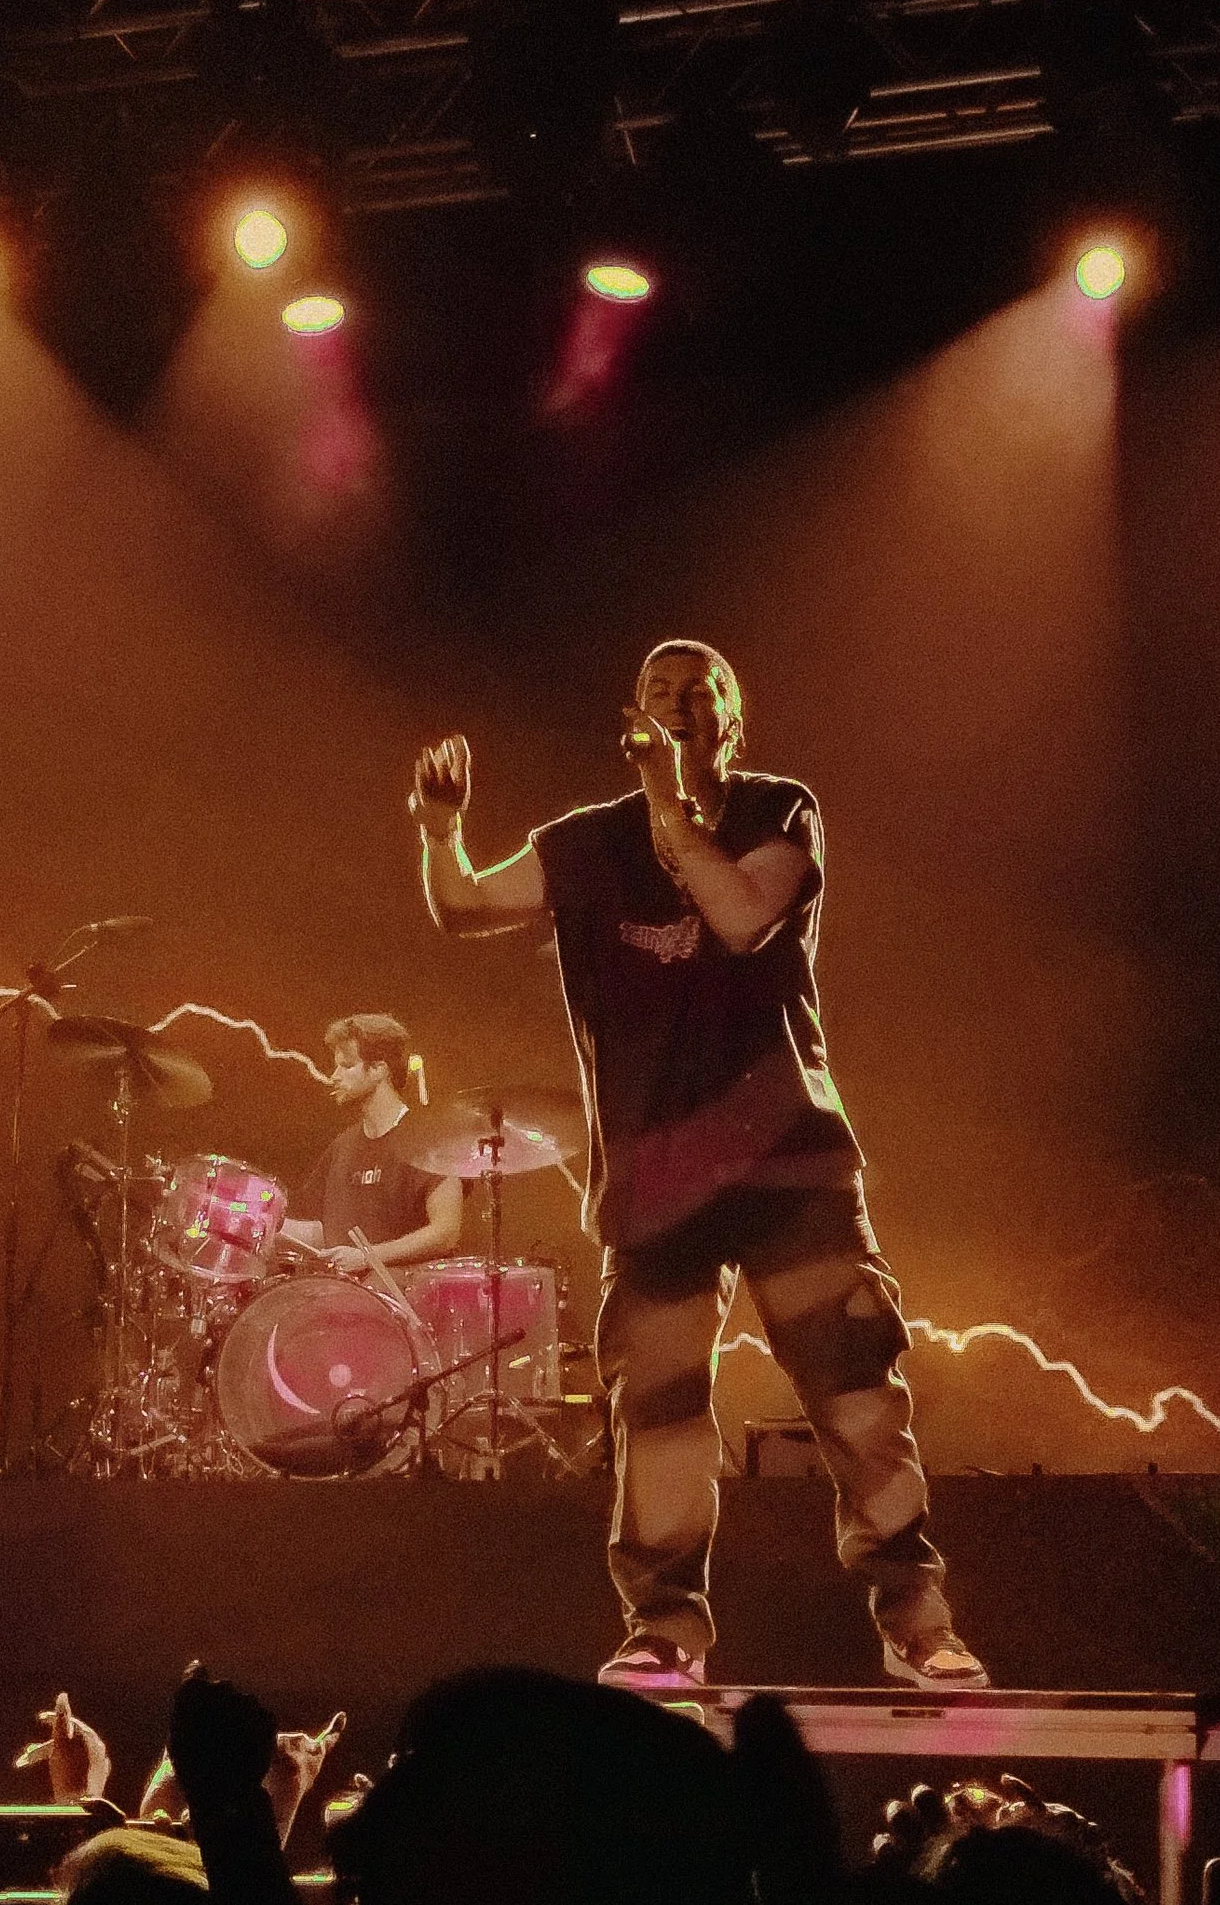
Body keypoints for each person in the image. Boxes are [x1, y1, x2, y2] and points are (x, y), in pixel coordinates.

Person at [409, 640, 986, 1690]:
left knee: (855, 1397)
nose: (678, 703)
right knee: (659, 1414)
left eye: (698, 690)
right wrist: (439, 828)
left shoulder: (779, 813)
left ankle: (918, 1626)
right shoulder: (584, 844)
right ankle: (663, 1632)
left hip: (788, 1165)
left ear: (732, 716)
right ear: (630, 710)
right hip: (657, 1176)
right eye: (658, 691)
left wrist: (666, 806)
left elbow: (734, 913)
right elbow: (460, 907)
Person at [278, 1013, 463, 1280]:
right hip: (345, 1297)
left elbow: (446, 1231)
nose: (334, 1077)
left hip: (407, 1299)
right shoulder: (342, 1146)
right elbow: (324, 1232)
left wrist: (367, 1256)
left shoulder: (429, 1140)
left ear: (379, 1069)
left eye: (346, 1066)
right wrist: (263, 1224)